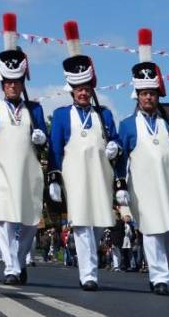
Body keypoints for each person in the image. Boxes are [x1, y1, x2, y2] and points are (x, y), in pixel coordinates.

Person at [114, 28, 169, 295]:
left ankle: (161, 266)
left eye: (152, 92)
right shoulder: (127, 125)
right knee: (151, 229)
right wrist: (120, 185)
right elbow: (120, 157)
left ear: (157, 94)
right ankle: (159, 275)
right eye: (144, 93)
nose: (148, 97)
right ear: (137, 96)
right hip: (143, 185)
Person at [0, 14, 47, 285]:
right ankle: (10, 267)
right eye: (8, 82)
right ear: (2, 83)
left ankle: (19, 256)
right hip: (1, 172)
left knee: (29, 221)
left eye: (16, 82)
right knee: (4, 218)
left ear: (22, 83)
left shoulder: (35, 109)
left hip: (28, 171)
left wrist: (41, 137)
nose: (12, 86)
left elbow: (43, 138)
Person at [48, 20, 119, 291]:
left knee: (99, 223)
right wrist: (53, 177)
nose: (83, 93)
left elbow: (113, 140)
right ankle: (88, 273)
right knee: (81, 223)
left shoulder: (105, 114)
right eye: (79, 89)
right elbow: (55, 147)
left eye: (87, 89)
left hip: (101, 174)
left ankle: (90, 261)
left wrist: (115, 147)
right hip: (75, 175)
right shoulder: (62, 115)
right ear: (72, 90)